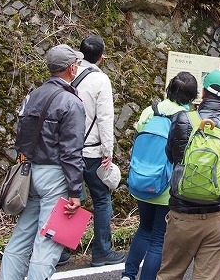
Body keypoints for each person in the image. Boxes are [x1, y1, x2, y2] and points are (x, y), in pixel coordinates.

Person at [156, 69, 220, 280]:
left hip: (182, 214)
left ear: (203, 93)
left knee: (169, 274)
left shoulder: (181, 120)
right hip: (219, 216)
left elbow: (171, 155)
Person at [0, 44, 86, 280]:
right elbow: (71, 151)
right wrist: (75, 191)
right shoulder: (71, 102)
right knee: (48, 241)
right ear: (71, 68)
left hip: (29, 172)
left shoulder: (32, 97)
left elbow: (21, 138)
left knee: (21, 237)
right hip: (55, 174)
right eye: (76, 64)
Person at [122, 72, 198, 280]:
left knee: (143, 228)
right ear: (192, 97)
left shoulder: (150, 110)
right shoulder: (189, 119)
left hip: (141, 179)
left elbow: (138, 138)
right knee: (157, 238)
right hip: (165, 186)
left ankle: (127, 276)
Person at [59, 35, 126, 268]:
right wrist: (109, 149)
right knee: (102, 199)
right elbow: (105, 118)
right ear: (101, 56)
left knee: (71, 196)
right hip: (92, 152)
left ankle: (61, 252)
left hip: (67, 150)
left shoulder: (69, 74)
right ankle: (101, 251)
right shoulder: (101, 80)